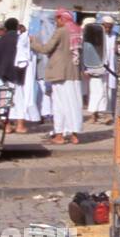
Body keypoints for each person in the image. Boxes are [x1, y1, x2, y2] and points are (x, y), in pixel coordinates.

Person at [30, 9, 82, 145]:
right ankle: (74, 135)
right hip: (74, 74)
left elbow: (46, 49)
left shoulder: (61, 31)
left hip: (60, 74)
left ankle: (59, 135)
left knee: (59, 105)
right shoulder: (78, 29)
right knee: (74, 104)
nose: (55, 22)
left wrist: (33, 42)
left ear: (61, 19)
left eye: (56, 19)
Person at [10, 21, 38, 134]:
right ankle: (19, 125)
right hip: (19, 76)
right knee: (20, 99)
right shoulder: (22, 41)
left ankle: (9, 125)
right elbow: (22, 61)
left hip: (9, 74)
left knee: (10, 100)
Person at [81, 19, 110, 123]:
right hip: (94, 70)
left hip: (102, 70)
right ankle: (95, 115)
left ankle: (99, 115)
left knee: (101, 93)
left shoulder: (99, 39)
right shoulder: (89, 40)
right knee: (97, 93)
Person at [101, 15, 119, 116]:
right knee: (101, 88)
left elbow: (118, 49)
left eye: (110, 26)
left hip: (112, 65)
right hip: (101, 65)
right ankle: (102, 111)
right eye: (106, 26)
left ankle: (110, 110)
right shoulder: (99, 35)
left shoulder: (116, 35)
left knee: (112, 88)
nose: (108, 28)